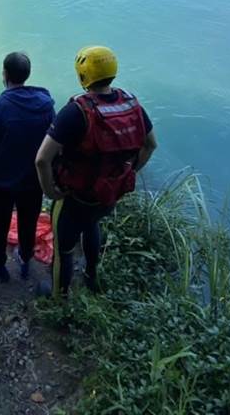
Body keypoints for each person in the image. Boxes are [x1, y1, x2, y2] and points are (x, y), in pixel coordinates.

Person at [35, 46, 157, 295]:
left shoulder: (77, 112)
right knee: (91, 225)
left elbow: (42, 159)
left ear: (83, 75)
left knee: (64, 247)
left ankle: (60, 297)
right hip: (108, 194)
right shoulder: (131, 104)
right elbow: (151, 144)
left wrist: (50, 191)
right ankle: (91, 276)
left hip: (76, 195)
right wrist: (128, 171)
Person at [0, 52, 55, 282]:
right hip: (34, 179)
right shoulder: (46, 106)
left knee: (0, 224)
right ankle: (24, 259)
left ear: (5, 74)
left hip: (2, 182)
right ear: (27, 75)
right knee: (29, 221)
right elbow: (54, 142)